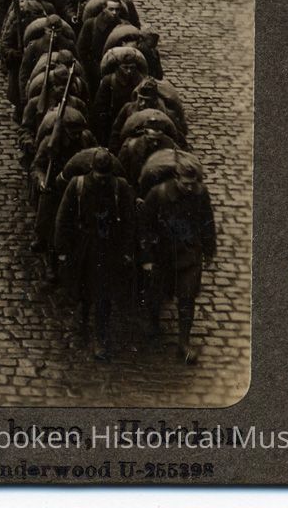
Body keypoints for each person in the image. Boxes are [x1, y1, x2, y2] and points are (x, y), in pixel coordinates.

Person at [54, 149, 137, 361]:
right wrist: (62, 250)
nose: (102, 180)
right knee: (82, 288)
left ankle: (101, 338)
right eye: (99, 175)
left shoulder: (120, 187)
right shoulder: (78, 185)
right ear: (92, 169)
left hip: (109, 246)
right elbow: (63, 218)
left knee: (104, 295)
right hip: (84, 245)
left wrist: (127, 251)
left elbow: (129, 221)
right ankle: (82, 319)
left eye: (105, 176)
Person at [139, 154, 218, 364]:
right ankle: (153, 325)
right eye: (186, 184)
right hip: (162, 254)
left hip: (189, 254)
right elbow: (144, 226)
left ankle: (184, 343)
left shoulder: (200, 193)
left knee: (187, 297)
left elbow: (207, 221)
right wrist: (147, 257)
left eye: (193, 183)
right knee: (156, 294)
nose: (190, 188)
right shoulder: (158, 194)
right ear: (176, 178)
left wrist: (210, 250)